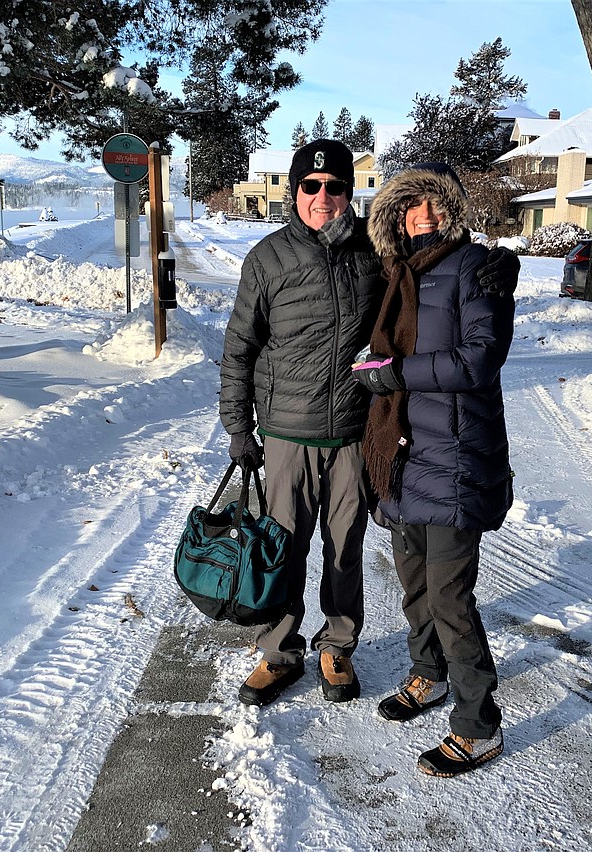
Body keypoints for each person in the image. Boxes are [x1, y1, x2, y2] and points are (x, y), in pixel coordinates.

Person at [219, 142, 520, 709]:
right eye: (311, 186)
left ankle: (338, 646)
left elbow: (430, 276)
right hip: (285, 434)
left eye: (335, 186)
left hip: (356, 433)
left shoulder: (374, 255)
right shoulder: (267, 258)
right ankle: (280, 652)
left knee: (345, 549)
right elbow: (239, 348)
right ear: (294, 192)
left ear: (348, 194)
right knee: (282, 549)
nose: (323, 197)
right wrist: (239, 425)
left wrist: (495, 265)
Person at [353, 162, 515, 777]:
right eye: (407, 207)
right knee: (415, 587)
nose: (420, 216)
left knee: (450, 597)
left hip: (453, 458)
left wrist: (393, 374)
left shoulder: (478, 270)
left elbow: (478, 360)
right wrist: (372, 371)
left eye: (431, 204)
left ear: (451, 210)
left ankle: (478, 725)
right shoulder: (397, 276)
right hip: (401, 455)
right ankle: (429, 675)